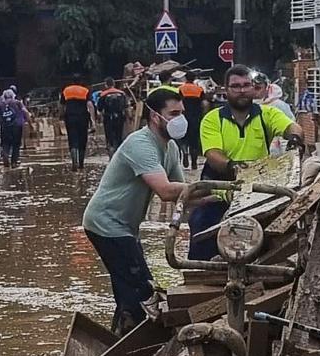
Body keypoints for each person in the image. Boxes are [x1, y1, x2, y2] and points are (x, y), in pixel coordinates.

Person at [82, 87, 192, 335]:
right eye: (173, 113)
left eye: (182, 112)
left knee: (126, 289)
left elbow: (183, 196)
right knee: (142, 287)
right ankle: (147, 341)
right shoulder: (140, 144)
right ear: (155, 116)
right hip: (106, 223)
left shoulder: (170, 148)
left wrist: (223, 195)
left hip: (126, 228)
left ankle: (118, 343)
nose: (180, 119)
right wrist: (203, 188)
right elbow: (165, 190)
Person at [194, 65, 306, 260]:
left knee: (270, 246)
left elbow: (292, 127)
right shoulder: (212, 119)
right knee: (201, 236)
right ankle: (199, 281)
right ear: (225, 89)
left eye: (246, 85)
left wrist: (295, 139)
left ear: (254, 88)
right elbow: (213, 154)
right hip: (222, 193)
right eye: (235, 86)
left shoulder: (267, 114)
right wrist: (233, 167)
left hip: (258, 194)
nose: (242, 90)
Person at [178, 71, 209, 171]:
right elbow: (204, 104)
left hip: (184, 117)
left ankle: (185, 153)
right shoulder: (199, 89)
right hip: (196, 118)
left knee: (183, 138)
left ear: (186, 78)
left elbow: (178, 103)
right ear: (194, 78)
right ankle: (194, 163)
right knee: (194, 141)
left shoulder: (181, 89)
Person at [61, 75, 93, 170]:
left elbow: (61, 105)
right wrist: (93, 121)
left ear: (72, 81)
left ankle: (74, 161)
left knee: (72, 139)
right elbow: (90, 105)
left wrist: (61, 116)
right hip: (83, 118)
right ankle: (81, 164)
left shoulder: (66, 90)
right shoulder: (85, 90)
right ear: (81, 81)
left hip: (70, 118)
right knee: (82, 140)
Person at [97, 78, 129, 156]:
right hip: (120, 117)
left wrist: (98, 119)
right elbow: (126, 107)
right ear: (114, 84)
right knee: (119, 135)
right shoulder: (122, 93)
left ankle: (111, 150)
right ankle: (119, 153)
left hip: (108, 118)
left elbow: (99, 109)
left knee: (109, 135)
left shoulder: (103, 94)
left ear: (106, 84)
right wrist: (128, 118)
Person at [0, 89, 28, 167]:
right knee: (16, 145)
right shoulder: (17, 103)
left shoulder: (0, 105)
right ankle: (14, 162)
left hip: (5, 127)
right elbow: (25, 112)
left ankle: (5, 155)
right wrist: (27, 120)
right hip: (16, 127)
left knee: (6, 144)